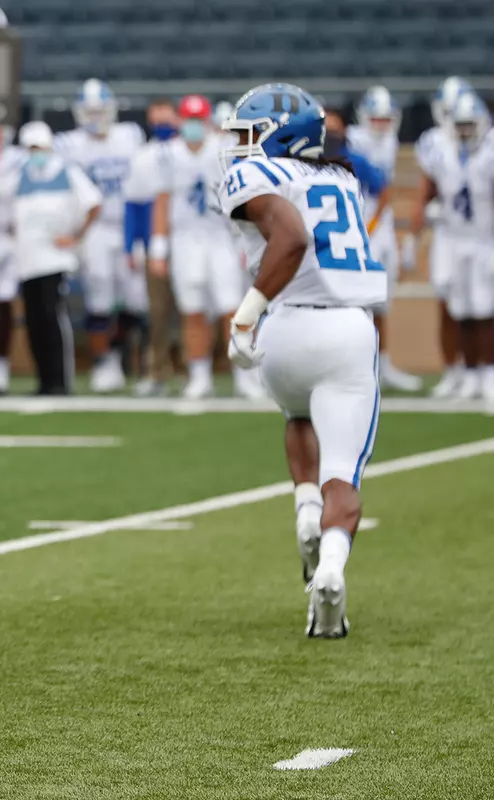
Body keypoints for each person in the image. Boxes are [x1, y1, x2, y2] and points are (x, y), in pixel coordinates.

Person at [219, 83, 387, 638]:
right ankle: (332, 568)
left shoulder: (255, 176)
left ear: (277, 137)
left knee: (297, 415)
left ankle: (305, 509)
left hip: (284, 335)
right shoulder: (343, 178)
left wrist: (246, 316)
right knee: (345, 473)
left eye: (248, 135)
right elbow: (294, 237)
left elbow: (285, 237)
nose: (238, 147)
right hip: (344, 331)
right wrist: (248, 313)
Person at [150, 95, 257, 400]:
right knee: (192, 309)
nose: (194, 126)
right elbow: (162, 201)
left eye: (199, 119)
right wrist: (158, 247)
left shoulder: (223, 149)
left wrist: (246, 238)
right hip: (184, 238)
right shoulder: (167, 154)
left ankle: (245, 376)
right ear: (180, 121)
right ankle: (199, 376)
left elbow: (243, 195)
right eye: (189, 119)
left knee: (232, 308)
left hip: (220, 235)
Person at [55, 79, 147, 393]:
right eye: (90, 111)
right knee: (99, 296)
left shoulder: (130, 136)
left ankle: (119, 353)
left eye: (100, 110)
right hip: (93, 229)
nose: (95, 117)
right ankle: (102, 362)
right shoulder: (69, 144)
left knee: (135, 298)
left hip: (127, 226)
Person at [6, 121, 99, 395]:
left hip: (55, 259)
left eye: (39, 147)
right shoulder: (19, 176)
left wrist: (75, 236)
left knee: (51, 317)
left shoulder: (67, 172)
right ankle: (44, 380)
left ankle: (60, 379)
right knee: (34, 322)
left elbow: (93, 203)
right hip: (27, 261)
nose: (36, 152)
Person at [412, 92, 494, 402]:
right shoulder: (442, 151)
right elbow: (431, 189)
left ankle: (489, 373)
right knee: (461, 310)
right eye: (460, 125)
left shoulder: (489, 150)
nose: (464, 131)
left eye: (470, 125)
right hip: (455, 240)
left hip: (484, 240)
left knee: (485, 310)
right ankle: (470, 373)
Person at [348, 86, 423, 393]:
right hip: (355, 226)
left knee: (382, 301)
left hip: (380, 229)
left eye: (385, 118)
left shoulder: (391, 141)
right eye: (375, 118)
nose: (380, 124)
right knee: (354, 302)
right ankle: (357, 364)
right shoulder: (352, 140)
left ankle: (384, 362)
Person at [124, 98, 179, 395]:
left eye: (166, 119)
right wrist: (130, 244)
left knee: (198, 309)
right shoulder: (142, 157)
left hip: (190, 239)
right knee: (157, 313)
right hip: (153, 243)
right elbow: (133, 204)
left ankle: (199, 370)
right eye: (157, 120)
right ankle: (157, 370)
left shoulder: (189, 152)